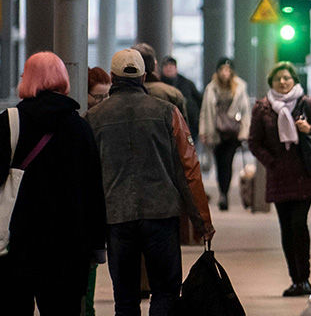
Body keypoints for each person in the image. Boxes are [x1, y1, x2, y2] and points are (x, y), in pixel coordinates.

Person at [87, 49, 214, 316]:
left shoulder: (94, 119)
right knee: (165, 291)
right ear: (145, 76)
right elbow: (188, 168)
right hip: (162, 216)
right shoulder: (168, 113)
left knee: (125, 297)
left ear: (112, 77)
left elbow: (87, 174)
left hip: (116, 217)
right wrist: (201, 220)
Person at [0, 52, 107, 315]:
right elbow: (94, 190)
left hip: (17, 246)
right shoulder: (80, 128)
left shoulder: (10, 122)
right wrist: (96, 245)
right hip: (68, 247)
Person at [248, 61, 311, 297]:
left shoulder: (307, 103)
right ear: (271, 83)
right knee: (286, 228)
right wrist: (271, 162)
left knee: (298, 223)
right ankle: (295, 280)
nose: (283, 82)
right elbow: (254, 142)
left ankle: (304, 278)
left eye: (287, 78)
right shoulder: (262, 108)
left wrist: (309, 130)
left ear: (294, 80)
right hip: (278, 176)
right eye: (278, 79)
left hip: (304, 174)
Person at [199, 57, 251, 211]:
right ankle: (222, 191)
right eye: (222, 69)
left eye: (228, 70)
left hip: (232, 132)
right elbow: (205, 111)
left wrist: (245, 132)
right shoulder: (211, 88)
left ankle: (224, 194)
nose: (225, 73)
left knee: (227, 162)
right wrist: (203, 131)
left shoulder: (240, 87)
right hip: (216, 131)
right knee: (219, 162)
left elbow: (246, 111)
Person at [82, 66, 112, 316]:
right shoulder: (81, 126)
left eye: (107, 97)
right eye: (98, 97)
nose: (103, 103)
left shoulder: (104, 122)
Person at [131, 42, 188, 119]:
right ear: (155, 64)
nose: (169, 68)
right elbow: (181, 128)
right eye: (166, 65)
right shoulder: (172, 93)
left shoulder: (117, 96)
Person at [161, 56, 203, 143]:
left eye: (171, 65)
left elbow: (199, 100)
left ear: (176, 68)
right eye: (166, 65)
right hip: (166, 126)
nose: (169, 68)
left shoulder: (186, 83)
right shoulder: (158, 84)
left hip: (189, 125)